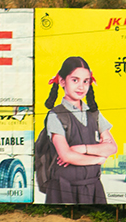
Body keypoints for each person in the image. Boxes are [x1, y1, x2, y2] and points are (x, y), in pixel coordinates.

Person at [41, 56, 116, 204]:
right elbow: (66, 156)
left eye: (85, 81)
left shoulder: (93, 114)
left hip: (93, 187)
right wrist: (98, 159)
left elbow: (112, 147)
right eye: (75, 80)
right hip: (64, 188)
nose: (81, 87)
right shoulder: (56, 115)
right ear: (62, 81)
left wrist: (82, 148)